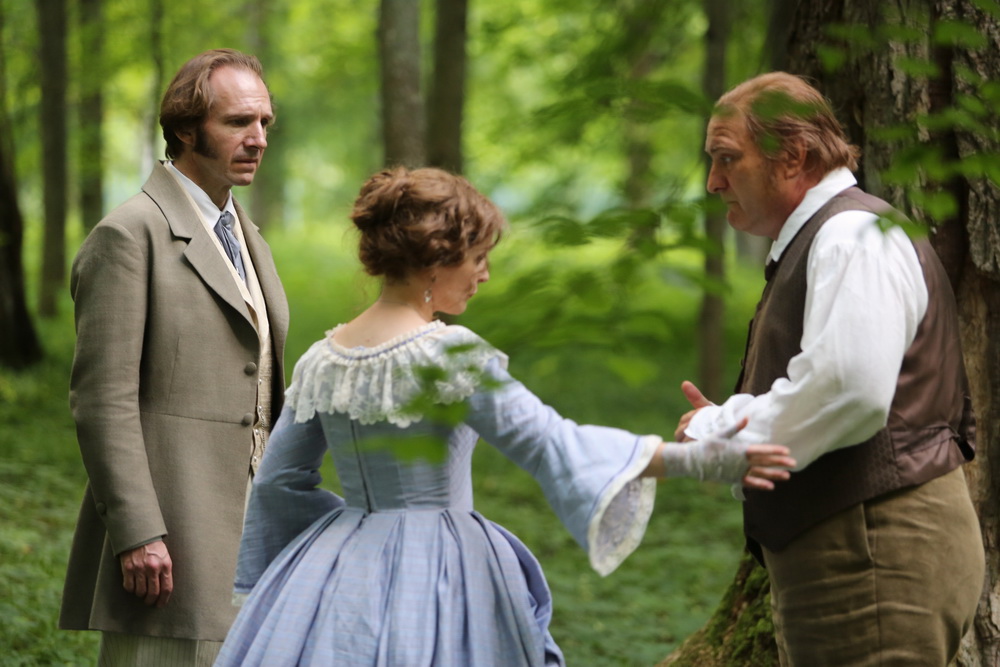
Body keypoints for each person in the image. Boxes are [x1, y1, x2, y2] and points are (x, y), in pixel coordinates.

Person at [213, 167, 794, 666]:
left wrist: (346, 534)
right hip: (442, 568)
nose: (485, 273)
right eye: (478, 257)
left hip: (340, 569)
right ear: (435, 260)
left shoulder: (323, 359)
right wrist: (709, 460)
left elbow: (280, 483)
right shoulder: (449, 358)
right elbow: (551, 444)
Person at [680, 71, 984, 666]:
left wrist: (722, 430)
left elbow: (848, 389)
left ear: (793, 156)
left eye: (727, 158)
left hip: (873, 555)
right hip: (862, 553)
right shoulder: (835, 235)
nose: (714, 181)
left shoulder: (851, 235)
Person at [59, 49, 289, 666]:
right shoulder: (127, 235)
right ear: (186, 128)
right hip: (169, 540)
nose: (258, 139)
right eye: (238, 122)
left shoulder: (247, 235)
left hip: (253, 530)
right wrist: (137, 531)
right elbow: (101, 400)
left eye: (264, 122)